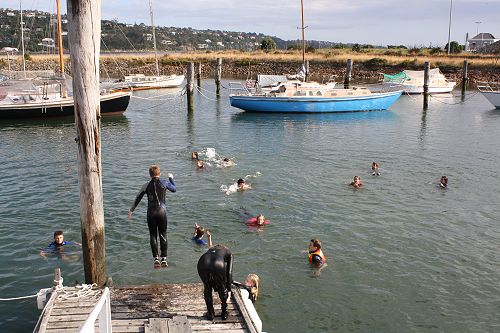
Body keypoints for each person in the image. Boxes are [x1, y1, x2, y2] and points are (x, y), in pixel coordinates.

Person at [128, 165, 176, 268]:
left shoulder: (146, 185)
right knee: (163, 234)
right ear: (159, 173)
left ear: (150, 175)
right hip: (162, 212)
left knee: (153, 235)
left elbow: (138, 198)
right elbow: (174, 189)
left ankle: (156, 259)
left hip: (151, 213)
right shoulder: (164, 182)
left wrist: (131, 210)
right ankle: (164, 259)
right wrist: (171, 178)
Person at [197, 244, 233, 320]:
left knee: (207, 287)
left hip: (202, 261)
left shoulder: (211, 249)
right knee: (222, 288)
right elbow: (229, 273)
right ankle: (224, 313)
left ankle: (210, 313)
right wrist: (229, 290)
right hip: (218, 263)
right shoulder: (229, 253)